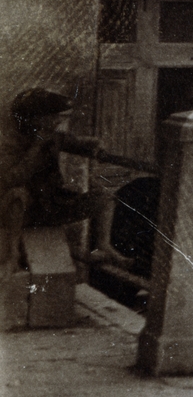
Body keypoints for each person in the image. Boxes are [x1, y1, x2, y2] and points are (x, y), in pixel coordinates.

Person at [0, 89, 125, 274]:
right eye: (53, 118)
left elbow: (77, 143)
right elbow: (10, 179)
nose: (58, 122)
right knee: (17, 195)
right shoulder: (9, 144)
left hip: (52, 204)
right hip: (25, 211)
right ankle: (12, 257)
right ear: (35, 118)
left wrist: (94, 144)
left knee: (105, 198)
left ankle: (103, 245)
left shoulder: (54, 137)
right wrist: (36, 148)